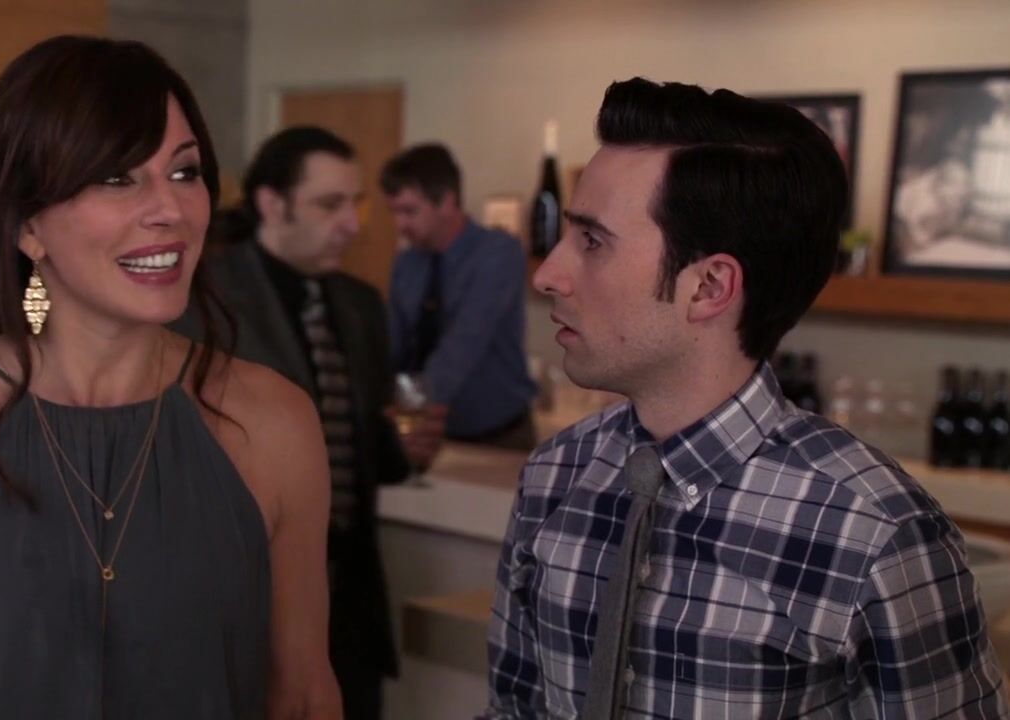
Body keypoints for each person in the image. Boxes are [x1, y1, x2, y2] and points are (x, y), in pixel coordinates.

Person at [0, 35, 340, 719]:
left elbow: (303, 696)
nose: (169, 209)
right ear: (28, 226)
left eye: (184, 172)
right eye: (118, 178)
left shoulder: (273, 423)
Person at [487, 78, 1007, 718]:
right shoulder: (554, 475)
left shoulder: (875, 532)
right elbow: (513, 708)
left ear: (709, 287)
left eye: (592, 241)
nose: (547, 273)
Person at [172, 126, 418, 720]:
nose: (351, 224)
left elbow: (363, 446)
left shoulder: (360, 304)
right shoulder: (204, 297)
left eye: (356, 204)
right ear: (271, 203)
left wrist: (407, 446)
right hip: (244, 598)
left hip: (350, 605)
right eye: (329, 205)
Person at [380, 144, 538, 451]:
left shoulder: (498, 253)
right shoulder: (406, 263)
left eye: (409, 211)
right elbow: (394, 347)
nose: (400, 225)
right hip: (429, 435)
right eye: (394, 212)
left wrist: (412, 404)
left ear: (447, 202)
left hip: (498, 435)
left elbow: (464, 341)